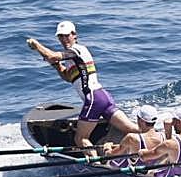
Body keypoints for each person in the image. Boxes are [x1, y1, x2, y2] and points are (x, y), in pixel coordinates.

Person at [25, 21, 138, 149]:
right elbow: (67, 77)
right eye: (60, 36)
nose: (63, 39)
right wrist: (56, 64)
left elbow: (52, 56)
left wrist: (36, 45)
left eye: (66, 35)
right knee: (131, 129)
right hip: (103, 97)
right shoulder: (71, 58)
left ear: (74, 35)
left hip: (93, 98)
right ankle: (157, 141)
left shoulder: (77, 50)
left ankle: (96, 166)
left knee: (80, 138)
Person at [102, 104, 166, 162]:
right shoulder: (164, 137)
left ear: (141, 121)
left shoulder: (132, 138)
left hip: (132, 172)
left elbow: (110, 155)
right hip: (152, 171)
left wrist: (107, 148)